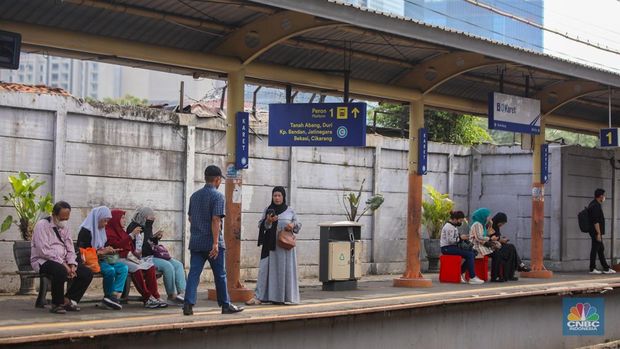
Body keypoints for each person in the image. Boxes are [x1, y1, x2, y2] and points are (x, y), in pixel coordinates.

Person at [183, 165, 244, 315]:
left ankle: (188, 304)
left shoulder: (194, 196)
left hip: (196, 242)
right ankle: (225, 305)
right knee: (220, 274)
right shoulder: (218, 196)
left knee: (194, 274)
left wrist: (199, 229)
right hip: (212, 243)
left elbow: (191, 218)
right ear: (217, 179)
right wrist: (215, 243)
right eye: (220, 180)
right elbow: (216, 219)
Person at [30, 201, 93, 314]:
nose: (64, 221)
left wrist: (72, 264)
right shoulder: (42, 225)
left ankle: (69, 300)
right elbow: (43, 251)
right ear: (54, 215)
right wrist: (64, 265)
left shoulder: (65, 228)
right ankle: (57, 303)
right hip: (43, 260)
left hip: (62, 261)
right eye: (61, 218)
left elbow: (70, 248)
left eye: (66, 218)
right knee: (60, 271)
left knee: (86, 273)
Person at [246, 186, 302, 305]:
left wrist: (292, 225)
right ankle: (259, 297)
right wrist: (268, 221)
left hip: (285, 246)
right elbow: (261, 225)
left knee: (284, 270)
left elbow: (298, 224)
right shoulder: (268, 210)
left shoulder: (290, 210)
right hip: (270, 246)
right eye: (275, 195)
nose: (277, 198)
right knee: (265, 270)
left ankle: (283, 297)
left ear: (283, 197)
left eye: (279, 195)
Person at [105, 209, 168, 309]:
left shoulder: (122, 231)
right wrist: (131, 235)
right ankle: (147, 298)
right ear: (115, 219)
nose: (124, 220)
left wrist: (136, 253)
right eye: (122, 218)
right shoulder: (109, 232)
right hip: (116, 258)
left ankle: (155, 296)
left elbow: (130, 247)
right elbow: (118, 246)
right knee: (136, 268)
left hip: (129, 257)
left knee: (149, 266)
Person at [126, 207, 186, 304]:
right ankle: (171, 295)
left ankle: (182, 293)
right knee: (168, 266)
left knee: (178, 264)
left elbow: (149, 244)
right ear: (144, 217)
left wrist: (155, 239)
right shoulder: (134, 227)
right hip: (143, 258)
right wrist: (150, 237)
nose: (153, 218)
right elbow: (140, 248)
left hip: (152, 255)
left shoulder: (148, 226)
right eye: (151, 216)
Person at [77, 206, 128, 310]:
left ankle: (114, 295)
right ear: (97, 218)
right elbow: (84, 252)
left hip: (102, 258)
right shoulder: (86, 230)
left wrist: (108, 249)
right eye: (104, 221)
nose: (105, 224)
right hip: (90, 261)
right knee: (110, 270)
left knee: (123, 268)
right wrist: (100, 252)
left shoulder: (101, 229)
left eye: (107, 221)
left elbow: (101, 246)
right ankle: (108, 296)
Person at [439, 210, 484, 285]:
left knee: (472, 253)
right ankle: (472, 277)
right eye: (460, 220)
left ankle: (460, 273)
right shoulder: (448, 227)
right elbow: (450, 240)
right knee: (469, 255)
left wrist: (461, 237)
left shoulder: (453, 226)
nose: (461, 222)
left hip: (452, 247)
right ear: (455, 219)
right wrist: (461, 238)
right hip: (447, 248)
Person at [488, 213, 530, 282]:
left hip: (497, 245)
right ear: (498, 220)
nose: (502, 225)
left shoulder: (496, 226)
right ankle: (520, 265)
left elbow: (497, 237)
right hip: (491, 246)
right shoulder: (490, 225)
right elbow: (490, 238)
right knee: (510, 248)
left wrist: (502, 239)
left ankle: (510, 274)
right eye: (501, 223)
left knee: (511, 249)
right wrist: (500, 240)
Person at [587, 189, 616, 274]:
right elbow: (596, 221)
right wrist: (598, 233)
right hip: (596, 232)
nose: (604, 197)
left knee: (600, 249)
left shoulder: (594, 204)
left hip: (595, 232)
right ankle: (592, 268)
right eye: (603, 195)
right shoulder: (595, 206)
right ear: (600, 196)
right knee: (595, 249)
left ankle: (606, 268)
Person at [469, 208, 499, 282]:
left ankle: (496, 276)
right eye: (488, 216)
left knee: (498, 253)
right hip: (476, 246)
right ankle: (494, 276)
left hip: (482, 245)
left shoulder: (482, 224)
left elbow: (488, 234)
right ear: (483, 216)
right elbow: (479, 237)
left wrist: (490, 225)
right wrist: (489, 239)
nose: (489, 218)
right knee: (496, 254)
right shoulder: (477, 224)